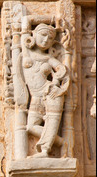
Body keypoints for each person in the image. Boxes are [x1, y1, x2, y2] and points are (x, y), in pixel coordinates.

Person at [18, 23, 70, 158]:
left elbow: (63, 72)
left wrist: (58, 87)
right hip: (35, 97)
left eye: (50, 38)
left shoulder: (49, 58)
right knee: (30, 127)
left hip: (50, 93)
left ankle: (45, 150)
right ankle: (61, 142)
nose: (46, 40)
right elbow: (25, 21)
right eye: (43, 35)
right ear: (34, 34)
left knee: (52, 121)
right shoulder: (26, 53)